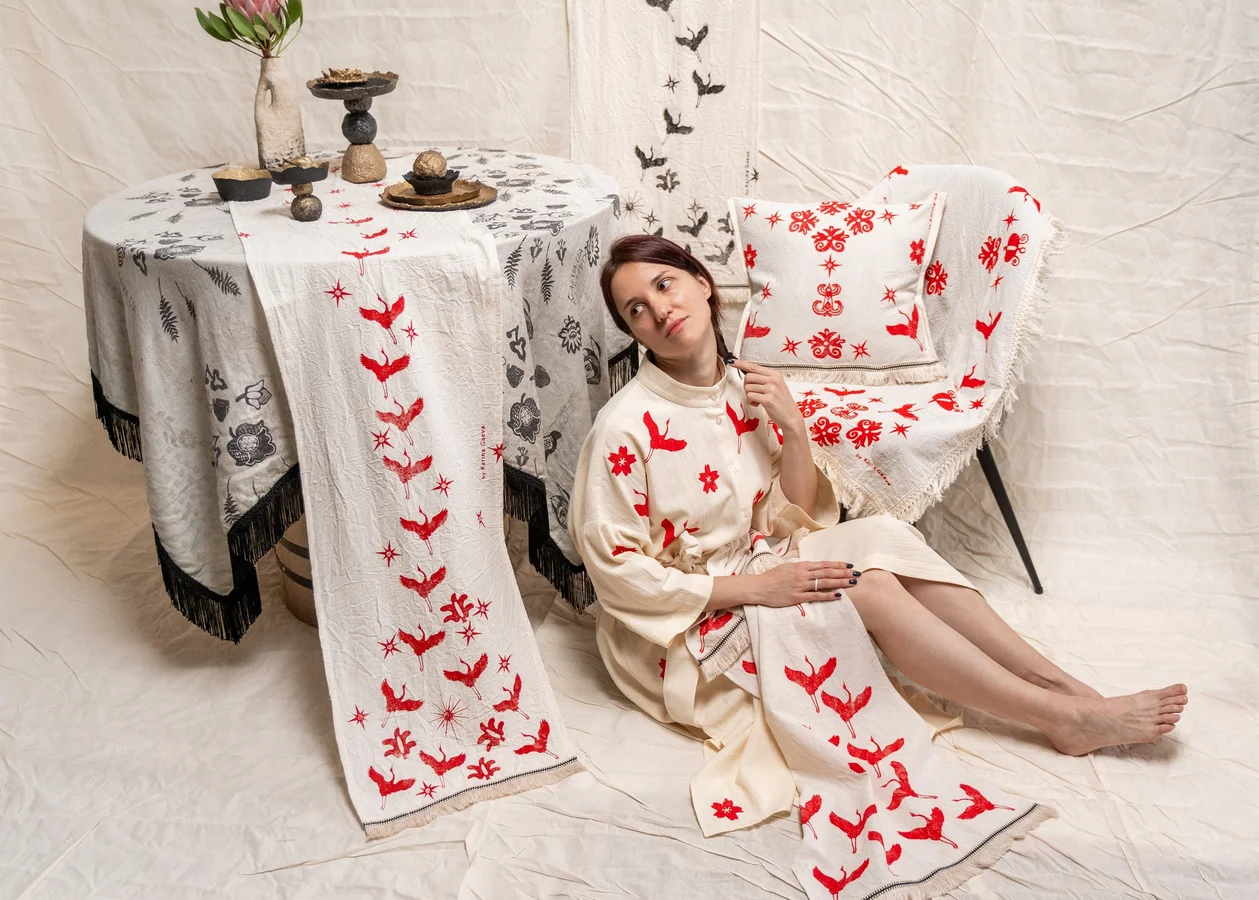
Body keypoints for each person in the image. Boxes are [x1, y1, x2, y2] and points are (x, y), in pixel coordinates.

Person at [568, 233, 1188, 801]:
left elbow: (791, 515)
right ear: (635, 333)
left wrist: (794, 428)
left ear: (702, 283)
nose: (659, 310)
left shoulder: (744, 388)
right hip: (679, 630)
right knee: (872, 590)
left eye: (664, 284)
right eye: (636, 310)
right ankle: (1060, 718)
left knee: (888, 537)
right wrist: (758, 588)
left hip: (753, 567)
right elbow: (618, 575)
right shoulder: (624, 427)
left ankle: (1061, 686)